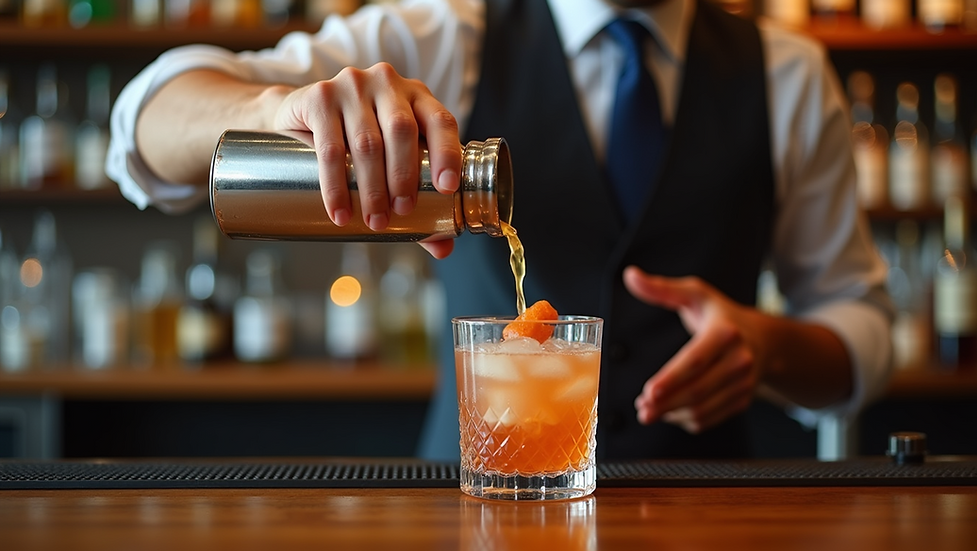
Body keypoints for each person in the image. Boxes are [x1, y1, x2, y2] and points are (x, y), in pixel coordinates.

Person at [106, 0, 894, 461]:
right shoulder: (448, 35)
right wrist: (266, 110)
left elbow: (862, 325)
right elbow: (142, 120)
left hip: (706, 517)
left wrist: (770, 345)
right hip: (470, 510)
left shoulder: (788, 73)